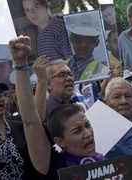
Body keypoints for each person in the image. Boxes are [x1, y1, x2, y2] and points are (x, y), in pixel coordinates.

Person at [9, 35, 104, 180]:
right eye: (77, 130)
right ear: (59, 141)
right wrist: (21, 64)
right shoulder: (53, 164)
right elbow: (31, 121)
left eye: (87, 125)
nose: (88, 134)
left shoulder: (104, 163)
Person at [66, 13, 109, 81]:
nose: (83, 45)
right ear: (71, 39)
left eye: (90, 40)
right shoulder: (59, 67)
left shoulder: (104, 72)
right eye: (78, 38)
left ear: (96, 43)